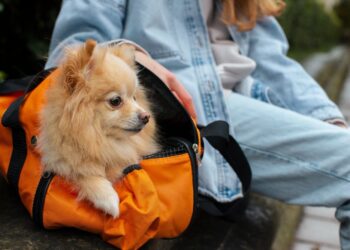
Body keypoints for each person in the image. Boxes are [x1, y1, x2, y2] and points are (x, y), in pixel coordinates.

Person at [46, 0, 350, 248]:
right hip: (189, 110)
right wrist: (135, 56)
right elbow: (70, 53)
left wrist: (328, 118)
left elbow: (274, 63)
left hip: (245, 103)